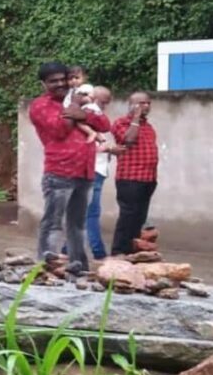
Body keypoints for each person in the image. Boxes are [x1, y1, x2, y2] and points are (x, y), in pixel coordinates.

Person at [28, 61, 111, 272]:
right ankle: (45, 268)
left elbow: (104, 124)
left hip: (85, 171)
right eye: (53, 81)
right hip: (59, 172)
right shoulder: (40, 105)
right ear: (43, 84)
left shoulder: (81, 100)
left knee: (78, 224)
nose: (60, 84)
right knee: (53, 222)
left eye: (63, 79)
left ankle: (78, 267)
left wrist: (82, 113)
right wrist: (74, 107)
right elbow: (60, 130)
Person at [110, 92, 159, 256]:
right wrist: (136, 119)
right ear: (131, 105)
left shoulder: (149, 127)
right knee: (127, 216)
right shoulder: (121, 123)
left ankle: (132, 250)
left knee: (140, 217)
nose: (146, 106)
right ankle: (118, 251)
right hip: (130, 178)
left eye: (148, 103)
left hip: (148, 178)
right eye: (142, 103)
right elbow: (129, 140)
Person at [84, 86, 121, 260]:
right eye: (104, 102)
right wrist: (107, 148)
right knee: (91, 213)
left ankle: (66, 250)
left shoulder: (88, 116)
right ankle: (98, 252)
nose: (105, 107)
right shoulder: (90, 111)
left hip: (96, 170)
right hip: (92, 170)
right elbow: (83, 146)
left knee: (86, 212)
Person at [64, 65, 101, 144]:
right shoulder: (70, 91)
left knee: (79, 122)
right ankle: (98, 136)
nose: (73, 80)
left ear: (84, 78)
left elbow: (91, 97)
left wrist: (84, 100)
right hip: (78, 110)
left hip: (88, 109)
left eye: (77, 78)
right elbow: (67, 102)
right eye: (70, 79)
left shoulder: (86, 87)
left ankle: (92, 133)